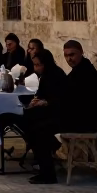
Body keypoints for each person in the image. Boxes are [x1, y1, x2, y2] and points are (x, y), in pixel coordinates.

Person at [22, 49, 67, 184]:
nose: (36, 68)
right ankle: (43, 165)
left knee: (38, 131)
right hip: (48, 113)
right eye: (34, 65)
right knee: (26, 121)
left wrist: (46, 102)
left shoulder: (57, 75)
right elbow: (42, 94)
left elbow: (63, 99)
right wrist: (36, 102)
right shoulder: (45, 76)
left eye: (38, 65)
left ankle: (48, 173)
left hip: (60, 116)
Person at [62, 41, 97, 132]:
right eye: (66, 55)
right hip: (75, 119)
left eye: (72, 55)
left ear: (81, 52)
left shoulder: (86, 73)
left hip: (83, 123)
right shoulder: (77, 71)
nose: (69, 59)